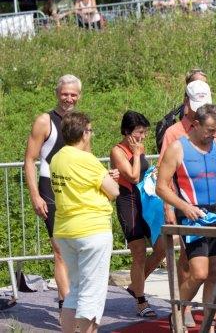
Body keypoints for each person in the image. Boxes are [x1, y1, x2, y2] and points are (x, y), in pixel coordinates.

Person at [157, 78, 216, 331]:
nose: (213, 134)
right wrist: (183, 207)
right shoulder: (177, 148)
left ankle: (208, 325)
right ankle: (178, 310)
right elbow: (161, 186)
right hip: (191, 215)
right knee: (199, 272)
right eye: (209, 130)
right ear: (196, 124)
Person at [50, 112, 120, 333]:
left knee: (75, 291)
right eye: (90, 131)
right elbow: (113, 191)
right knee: (92, 294)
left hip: (65, 230)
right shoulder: (87, 160)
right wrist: (108, 179)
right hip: (92, 229)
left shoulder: (57, 158)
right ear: (84, 133)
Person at [24, 74, 82, 312]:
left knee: (77, 248)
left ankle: (72, 299)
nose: (68, 98)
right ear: (57, 93)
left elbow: (85, 158)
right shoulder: (44, 121)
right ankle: (66, 306)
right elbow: (29, 160)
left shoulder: (80, 122)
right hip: (50, 188)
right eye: (64, 93)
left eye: (73, 94)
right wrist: (35, 195)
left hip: (75, 191)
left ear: (79, 96)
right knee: (60, 250)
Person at [110, 111, 165, 318]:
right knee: (139, 252)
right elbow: (133, 176)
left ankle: (135, 286)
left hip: (144, 200)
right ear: (127, 132)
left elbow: (142, 172)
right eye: (139, 132)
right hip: (128, 202)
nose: (143, 136)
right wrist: (135, 153)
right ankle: (141, 301)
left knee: (161, 248)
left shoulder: (139, 147)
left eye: (144, 132)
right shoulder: (118, 151)